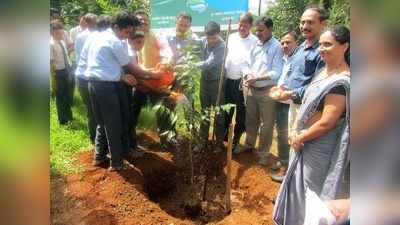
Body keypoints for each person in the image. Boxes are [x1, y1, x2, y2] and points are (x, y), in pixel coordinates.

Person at [273, 26, 351, 225]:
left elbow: (327, 121)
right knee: (297, 190)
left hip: (319, 148)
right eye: (321, 45)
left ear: (345, 46)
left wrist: (300, 136)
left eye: (328, 44)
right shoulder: (324, 72)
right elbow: (313, 108)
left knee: (310, 192)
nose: (321, 49)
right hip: (305, 140)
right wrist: (295, 131)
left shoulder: (341, 81)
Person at [84, 11, 161, 171]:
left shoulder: (98, 36)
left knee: (102, 123)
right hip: (106, 88)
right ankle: (117, 163)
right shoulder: (114, 41)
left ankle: (99, 156)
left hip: (93, 84)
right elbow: (134, 69)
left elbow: (102, 64)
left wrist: (120, 77)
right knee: (114, 124)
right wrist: (155, 74)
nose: (127, 37)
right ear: (117, 27)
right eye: (126, 32)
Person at [271, 5, 328, 149]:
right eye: (302, 22)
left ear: (323, 24)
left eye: (310, 22)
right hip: (295, 104)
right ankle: (292, 171)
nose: (304, 26)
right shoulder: (303, 46)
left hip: (311, 109)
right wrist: (282, 88)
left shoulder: (323, 50)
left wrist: (290, 93)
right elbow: (295, 72)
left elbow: (319, 85)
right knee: (294, 140)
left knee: (305, 145)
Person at [235, 16, 283, 166]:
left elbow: (277, 71)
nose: (258, 33)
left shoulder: (277, 47)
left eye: (261, 30)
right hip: (251, 88)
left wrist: (258, 77)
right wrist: (248, 74)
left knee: (267, 124)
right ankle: (249, 144)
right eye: (257, 30)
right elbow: (246, 63)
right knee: (251, 120)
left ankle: (263, 152)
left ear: (270, 29)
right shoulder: (255, 44)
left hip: (267, 90)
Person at [131, 10, 176, 149]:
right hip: (137, 82)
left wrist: (167, 60)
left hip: (155, 81)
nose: (143, 22)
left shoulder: (156, 36)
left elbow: (166, 50)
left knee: (162, 110)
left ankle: (167, 139)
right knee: (132, 111)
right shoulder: (130, 37)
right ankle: (130, 141)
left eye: (146, 20)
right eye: (140, 20)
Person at [225, 12, 258, 152]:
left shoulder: (255, 41)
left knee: (241, 113)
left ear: (250, 26)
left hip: (242, 82)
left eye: (245, 25)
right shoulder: (231, 37)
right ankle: (225, 138)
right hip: (228, 79)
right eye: (240, 24)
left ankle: (236, 140)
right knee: (227, 109)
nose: (242, 27)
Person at [269, 31, 299, 182]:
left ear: (296, 43)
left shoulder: (298, 60)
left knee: (290, 135)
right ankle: (283, 160)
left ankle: (288, 169)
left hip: (291, 104)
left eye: (288, 42)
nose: (285, 45)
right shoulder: (285, 59)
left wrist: (283, 90)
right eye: (282, 43)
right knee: (281, 133)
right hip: (280, 101)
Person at [193, 21, 226, 153]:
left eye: (214, 37)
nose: (211, 40)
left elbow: (209, 63)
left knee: (218, 113)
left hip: (216, 83)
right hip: (204, 81)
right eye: (209, 37)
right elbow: (194, 44)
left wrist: (191, 65)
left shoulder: (222, 46)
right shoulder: (203, 41)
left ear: (219, 34)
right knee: (204, 112)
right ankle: (202, 141)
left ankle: (218, 144)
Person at [74, 13, 98, 144]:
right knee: (91, 109)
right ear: (88, 23)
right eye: (95, 22)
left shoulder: (99, 35)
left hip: (94, 76)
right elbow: (80, 56)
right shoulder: (82, 37)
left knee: (96, 110)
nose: (96, 23)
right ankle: (94, 138)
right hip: (85, 77)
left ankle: (99, 137)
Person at [50, 20, 74, 125]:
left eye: (61, 33)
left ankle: (69, 115)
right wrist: (53, 77)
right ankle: (63, 119)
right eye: (57, 33)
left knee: (68, 94)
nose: (60, 35)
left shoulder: (62, 42)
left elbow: (66, 55)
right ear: (52, 33)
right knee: (60, 96)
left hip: (67, 70)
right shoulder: (50, 44)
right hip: (58, 73)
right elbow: (50, 62)